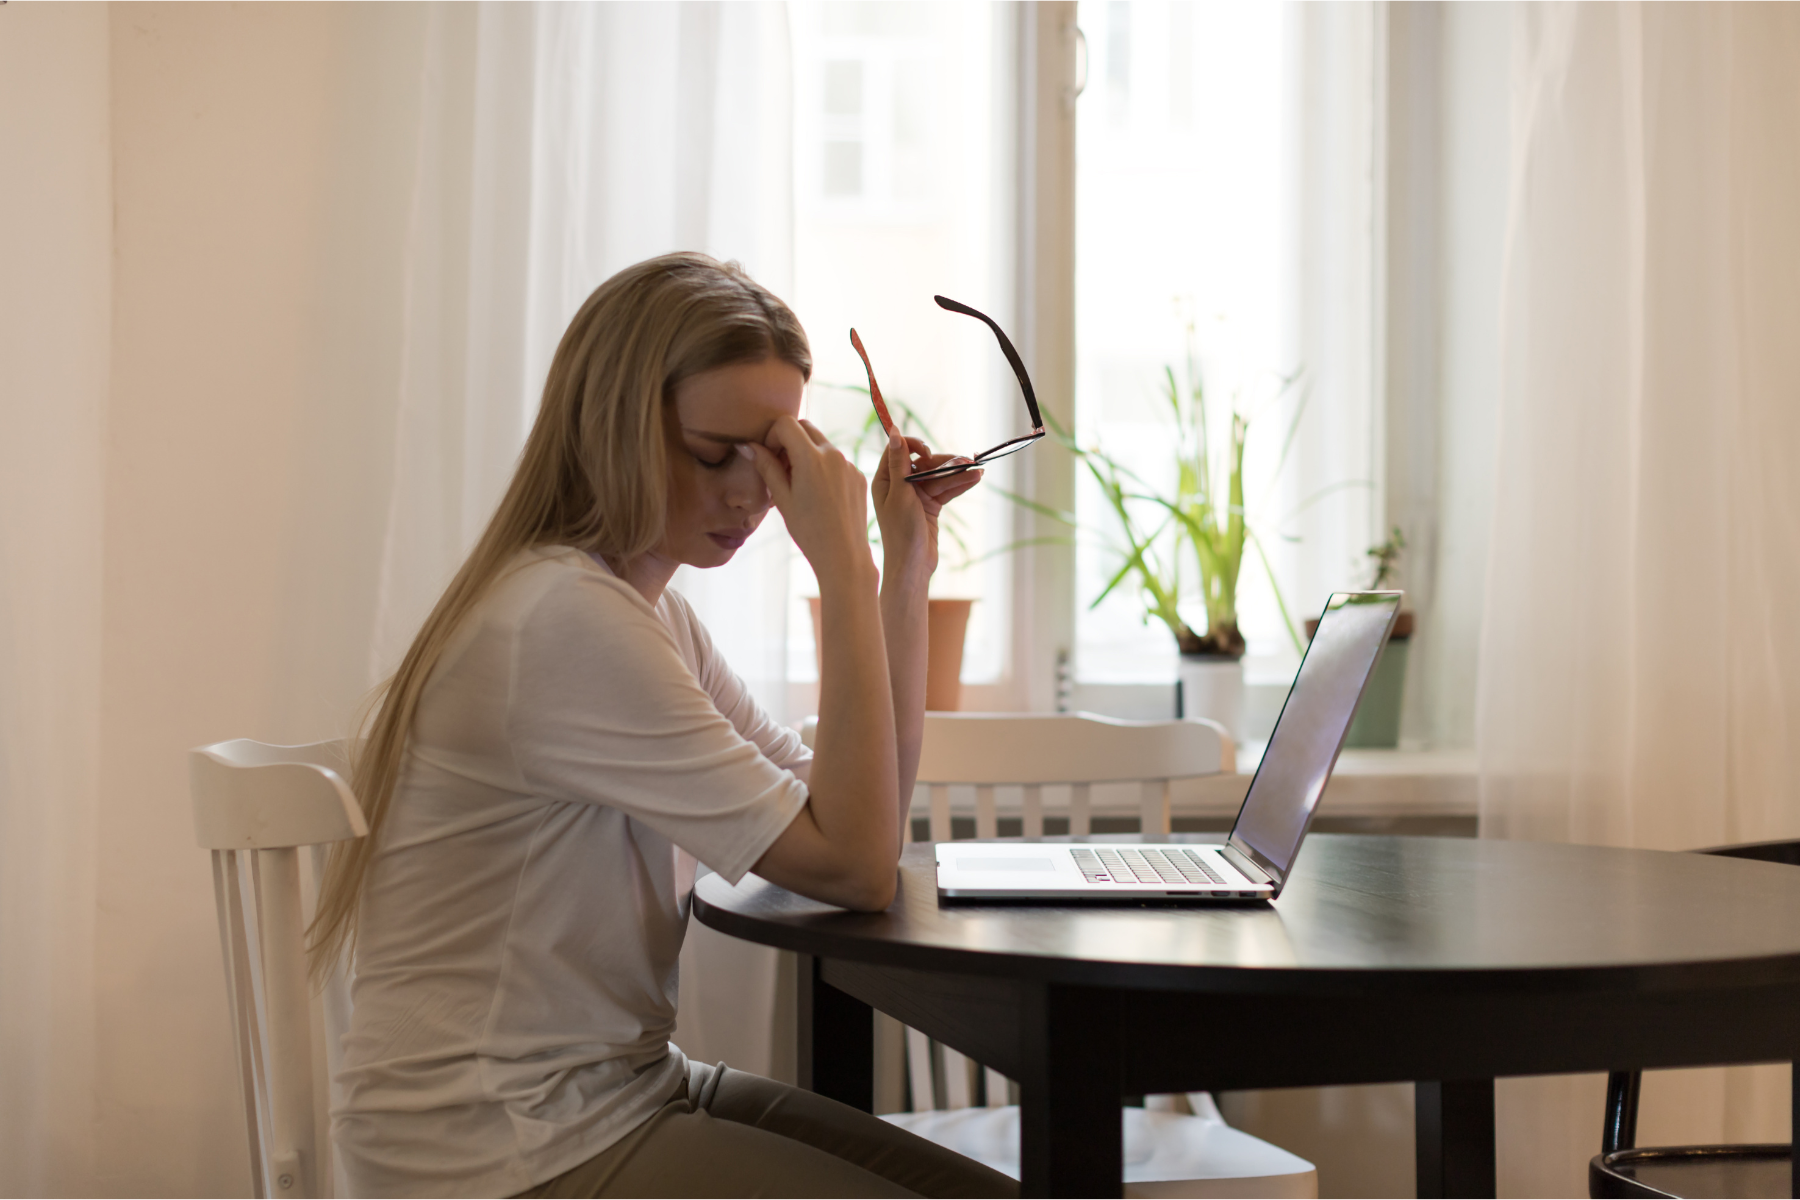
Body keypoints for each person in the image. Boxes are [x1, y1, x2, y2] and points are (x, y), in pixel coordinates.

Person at [307, 253, 1016, 1199]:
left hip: (619, 1095)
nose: (750, 492)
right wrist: (840, 566)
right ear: (614, 424)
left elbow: (857, 816)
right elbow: (854, 861)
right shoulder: (562, 621)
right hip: (495, 1148)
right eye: (712, 451)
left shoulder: (643, 612)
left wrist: (903, 563)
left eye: (772, 455)